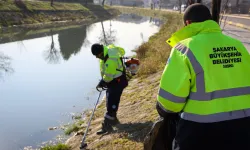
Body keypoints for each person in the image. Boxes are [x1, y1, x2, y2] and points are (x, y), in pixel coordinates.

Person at [156, 3, 250, 150]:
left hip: (199, 133)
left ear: (188, 23)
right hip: (244, 130)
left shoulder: (184, 49)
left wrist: (163, 109)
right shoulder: (239, 46)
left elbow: (170, 102)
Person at [91, 43, 128, 135]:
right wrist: (103, 81)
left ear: (101, 52)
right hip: (114, 81)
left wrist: (103, 82)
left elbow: (109, 75)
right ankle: (114, 121)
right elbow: (107, 72)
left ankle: (107, 126)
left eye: (97, 55)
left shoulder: (111, 58)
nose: (96, 57)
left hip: (117, 82)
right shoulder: (105, 54)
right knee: (111, 101)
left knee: (111, 103)